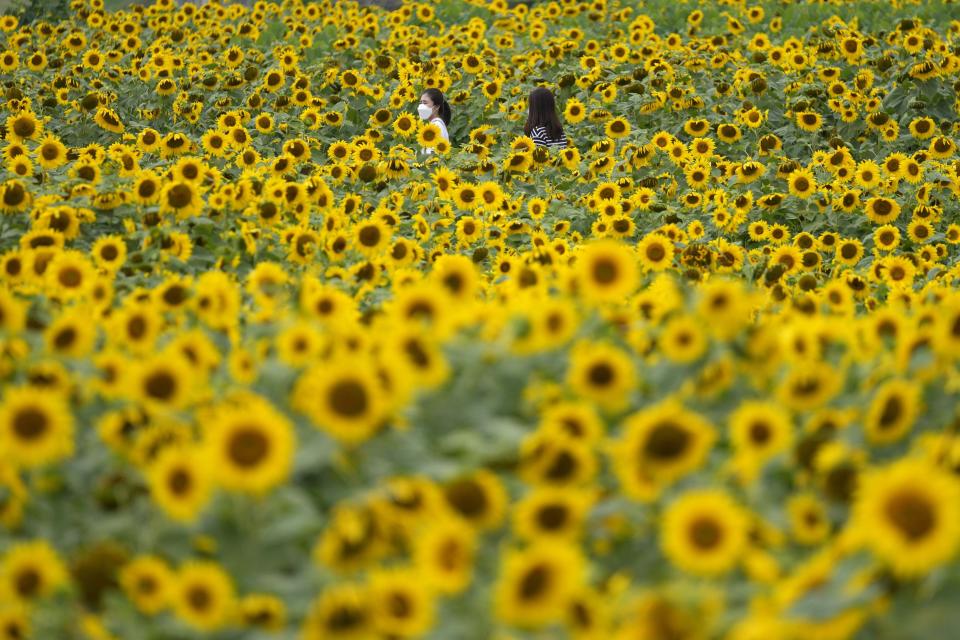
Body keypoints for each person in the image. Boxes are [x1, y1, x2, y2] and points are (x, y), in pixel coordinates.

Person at [418, 88, 450, 155]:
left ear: (436, 107)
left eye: (425, 102)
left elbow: (432, 155)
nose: (421, 106)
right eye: (420, 103)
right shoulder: (435, 124)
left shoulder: (436, 126)